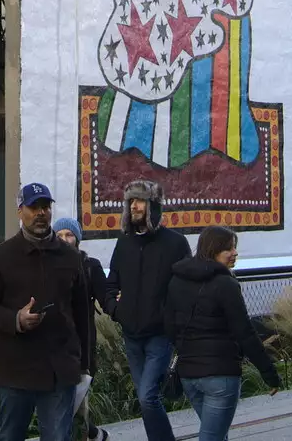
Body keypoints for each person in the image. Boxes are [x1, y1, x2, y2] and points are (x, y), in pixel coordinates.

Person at [0, 183, 94, 441]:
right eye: (33, 207)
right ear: (20, 211)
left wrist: (84, 364)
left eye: (45, 207)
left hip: (59, 369)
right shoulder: (2, 256)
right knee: (9, 436)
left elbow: (82, 313)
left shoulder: (70, 257)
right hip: (16, 369)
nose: (41, 213)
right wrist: (15, 319)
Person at [164, 226, 281, 440]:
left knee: (217, 435)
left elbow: (170, 327)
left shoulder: (176, 280)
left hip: (189, 376)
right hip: (221, 377)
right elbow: (244, 332)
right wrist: (269, 374)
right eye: (229, 248)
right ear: (213, 250)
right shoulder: (225, 284)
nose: (235, 253)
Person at [106, 180, 191, 441]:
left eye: (140, 201)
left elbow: (187, 288)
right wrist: (115, 310)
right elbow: (112, 284)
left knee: (147, 397)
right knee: (147, 399)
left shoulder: (175, 244)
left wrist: (171, 320)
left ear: (153, 206)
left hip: (159, 336)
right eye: (131, 201)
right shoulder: (124, 243)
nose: (134, 206)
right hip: (131, 336)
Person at [56, 217, 113, 441]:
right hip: (54, 344)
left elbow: (105, 297)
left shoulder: (90, 266)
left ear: (77, 238)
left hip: (82, 343)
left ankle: (89, 434)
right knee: (63, 406)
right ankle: (95, 434)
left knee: (79, 403)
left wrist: (121, 307)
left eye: (69, 235)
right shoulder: (48, 266)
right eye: (59, 235)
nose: (64, 240)